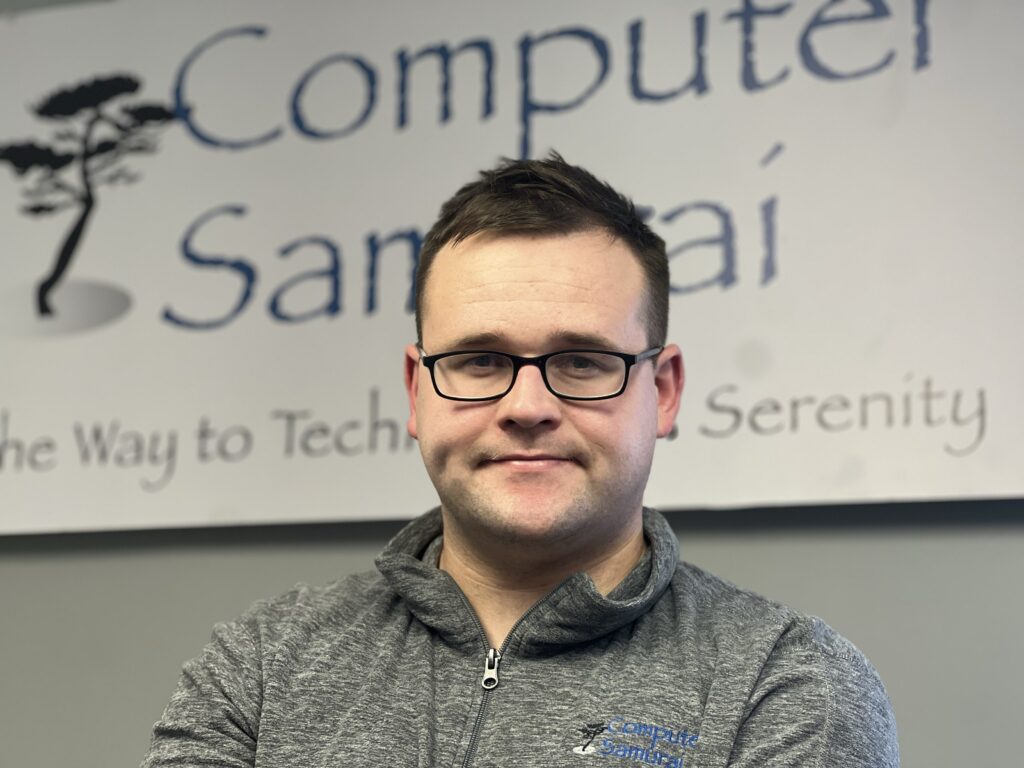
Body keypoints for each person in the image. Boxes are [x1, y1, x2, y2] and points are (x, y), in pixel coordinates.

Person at [141, 154, 898, 768]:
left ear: (662, 391)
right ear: (416, 390)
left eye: (581, 360)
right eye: (479, 359)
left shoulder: (789, 684)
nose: (527, 405)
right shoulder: (262, 665)